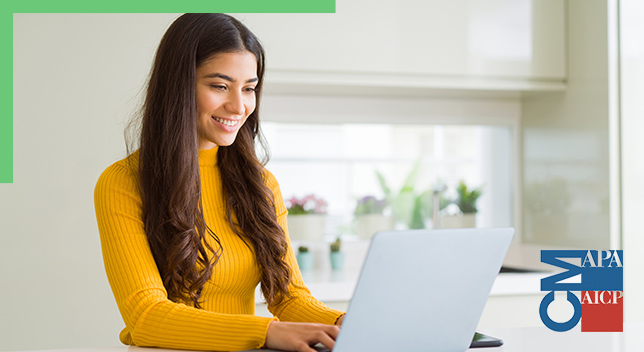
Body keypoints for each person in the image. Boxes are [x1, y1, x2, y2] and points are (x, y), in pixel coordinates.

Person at [94, 13, 345, 352]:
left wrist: (342, 323)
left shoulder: (261, 184)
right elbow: (146, 316)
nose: (239, 106)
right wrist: (267, 332)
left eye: (249, 89)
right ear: (178, 86)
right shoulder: (123, 182)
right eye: (219, 86)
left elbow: (289, 297)